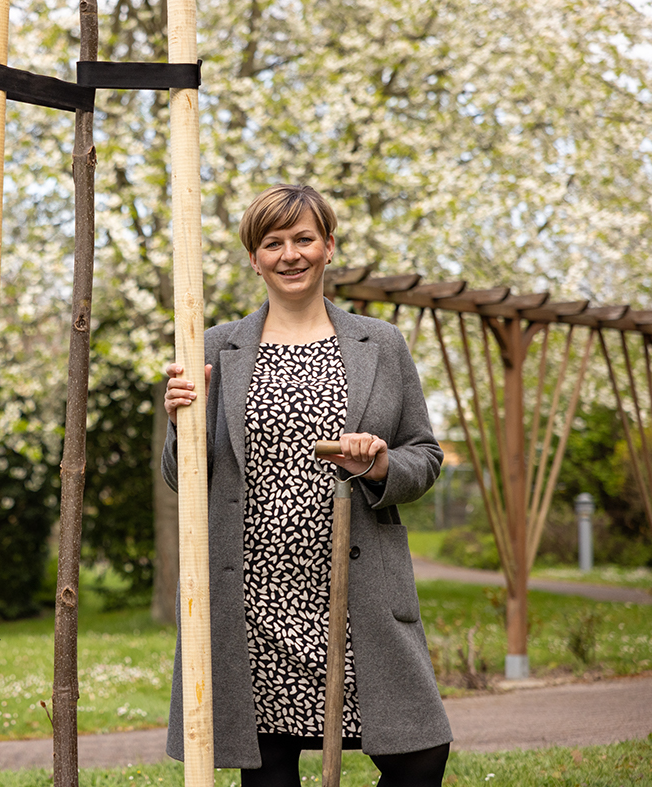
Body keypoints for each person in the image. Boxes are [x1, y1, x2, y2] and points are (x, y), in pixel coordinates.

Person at [161, 184, 451, 786]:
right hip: (251, 598)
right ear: (253, 257)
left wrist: (376, 466)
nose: (290, 254)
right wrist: (180, 423)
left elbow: (424, 455)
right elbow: (180, 478)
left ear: (328, 247)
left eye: (303, 239)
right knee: (268, 771)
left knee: (420, 756)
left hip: (355, 592)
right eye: (273, 243)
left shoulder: (382, 345)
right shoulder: (215, 346)